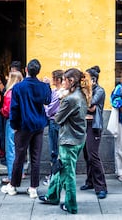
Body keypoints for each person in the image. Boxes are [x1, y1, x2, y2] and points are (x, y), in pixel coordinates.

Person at [38, 68, 92, 214]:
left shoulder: (70, 98)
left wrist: (61, 99)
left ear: (71, 81)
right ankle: (52, 195)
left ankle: (71, 205)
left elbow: (58, 118)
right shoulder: (81, 94)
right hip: (77, 137)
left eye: (64, 80)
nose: (62, 83)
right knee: (60, 167)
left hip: (69, 140)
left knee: (68, 173)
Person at [1, 59, 51, 199]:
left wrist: (14, 126)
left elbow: (14, 109)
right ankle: (33, 188)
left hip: (23, 126)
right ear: (38, 71)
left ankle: (13, 185)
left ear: (26, 70)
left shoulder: (18, 87)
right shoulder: (43, 86)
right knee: (36, 157)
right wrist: (48, 86)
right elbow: (47, 100)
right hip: (39, 126)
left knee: (19, 156)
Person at [80, 66, 108, 199]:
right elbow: (86, 107)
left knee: (93, 155)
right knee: (87, 155)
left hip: (94, 126)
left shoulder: (99, 90)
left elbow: (90, 104)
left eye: (86, 78)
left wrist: (87, 106)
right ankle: (90, 181)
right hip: (84, 124)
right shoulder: (86, 90)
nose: (83, 81)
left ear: (94, 79)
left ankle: (101, 187)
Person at [0, 71, 23, 184]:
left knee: (11, 149)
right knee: (20, 148)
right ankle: (21, 172)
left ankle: (11, 175)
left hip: (12, 122)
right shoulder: (23, 92)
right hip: (23, 122)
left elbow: (7, 110)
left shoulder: (10, 93)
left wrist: (1, 111)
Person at [43, 69, 65, 186]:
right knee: (58, 150)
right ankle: (56, 175)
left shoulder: (58, 93)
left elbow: (50, 109)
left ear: (57, 79)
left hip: (54, 122)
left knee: (54, 150)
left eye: (53, 78)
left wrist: (44, 107)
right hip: (59, 122)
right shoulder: (59, 91)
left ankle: (54, 176)